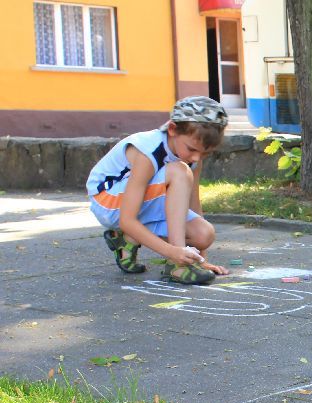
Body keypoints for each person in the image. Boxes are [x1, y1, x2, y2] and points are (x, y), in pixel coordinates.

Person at [86, 96, 230, 284]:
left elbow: (193, 204)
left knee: (204, 234)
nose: (196, 158)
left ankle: (126, 239)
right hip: (108, 202)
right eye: (192, 149)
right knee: (179, 171)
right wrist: (173, 252)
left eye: (205, 153)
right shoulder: (149, 151)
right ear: (172, 129)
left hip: (142, 203)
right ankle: (176, 266)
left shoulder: (192, 158)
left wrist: (201, 260)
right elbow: (127, 219)